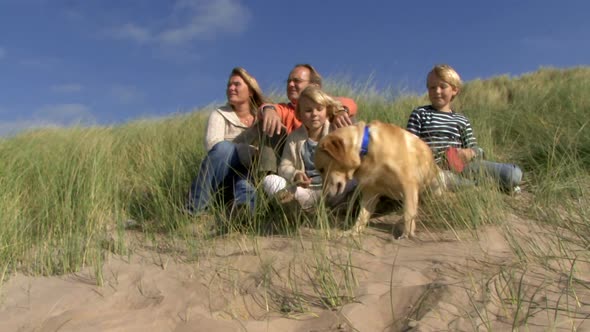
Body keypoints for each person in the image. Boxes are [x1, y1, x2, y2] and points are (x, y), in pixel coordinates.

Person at [406, 64, 523, 193]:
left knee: (513, 174)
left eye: (442, 86)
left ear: (454, 90)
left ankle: (488, 185)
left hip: (463, 166)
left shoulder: (462, 120)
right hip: (433, 170)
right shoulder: (420, 113)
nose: (437, 91)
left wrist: (469, 153)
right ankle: (485, 187)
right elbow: (409, 147)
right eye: (432, 87)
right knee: (440, 181)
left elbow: (476, 149)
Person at [187, 67, 270, 213]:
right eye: (229, 85)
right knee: (224, 148)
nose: (231, 88)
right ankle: (194, 209)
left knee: (245, 184)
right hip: (222, 178)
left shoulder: (262, 118)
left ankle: (243, 217)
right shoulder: (219, 114)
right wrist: (248, 152)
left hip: (250, 176)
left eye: (237, 84)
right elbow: (213, 147)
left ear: (250, 91)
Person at [262, 86, 355, 211]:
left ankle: (351, 205)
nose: (314, 114)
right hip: (306, 192)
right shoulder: (294, 138)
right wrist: (296, 175)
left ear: (327, 111)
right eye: (308, 110)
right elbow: (284, 166)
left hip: (333, 189)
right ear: (299, 114)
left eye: (319, 109)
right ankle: (293, 209)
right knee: (270, 181)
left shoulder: (335, 131)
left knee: (359, 178)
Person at [252, 64, 359, 174]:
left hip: (326, 161)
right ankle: (267, 180)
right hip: (292, 163)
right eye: (288, 81)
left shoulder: (325, 104)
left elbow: (349, 103)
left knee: (350, 120)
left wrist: (341, 111)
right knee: (268, 125)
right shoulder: (285, 109)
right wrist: (268, 109)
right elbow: (266, 109)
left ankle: (356, 174)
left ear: (314, 86)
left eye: (296, 81)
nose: (291, 84)